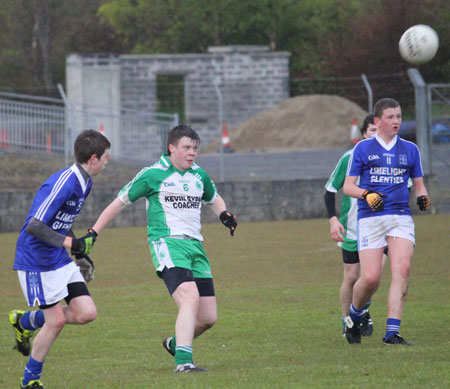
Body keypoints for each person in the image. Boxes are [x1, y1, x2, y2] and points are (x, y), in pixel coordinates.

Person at [90, 124, 237, 373]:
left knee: (209, 318)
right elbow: (119, 203)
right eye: (186, 148)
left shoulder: (199, 175)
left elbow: (214, 198)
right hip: (167, 244)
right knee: (190, 298)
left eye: (195, 149)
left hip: (196, 247)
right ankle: (184, 363)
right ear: (172, 148)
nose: (192, 153)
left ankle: (175, 343)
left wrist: (224, 214)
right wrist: (94, 232)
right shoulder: (152, 174)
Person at [9, 129, 110, 389]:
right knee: (57, 321)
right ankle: (30, 380)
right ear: (94, 158)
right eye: (106, 157)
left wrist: (79, 253)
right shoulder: (64, 182)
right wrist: (72, 243)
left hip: (58, 257)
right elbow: (35, 226)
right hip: (36, 261)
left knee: (87, 312)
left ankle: (25, 321)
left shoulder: (85, 183)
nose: (108, 161)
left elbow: (62, 221)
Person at [343, 98, 430, 345]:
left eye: (399, 116)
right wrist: (367, 194)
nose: (396, 121)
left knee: (402, 270)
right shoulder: (363, 148)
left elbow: (420, 187)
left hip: (400, 217)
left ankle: (392, 332)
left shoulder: (411, 150)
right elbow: (348, 187)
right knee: (370, 278)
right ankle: (354, 315)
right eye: (391, 117)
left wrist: (423, 198)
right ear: (378, 121)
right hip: (371, 219)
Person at [324, 114, 388, 338]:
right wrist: (333, 220)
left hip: (381, 227)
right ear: (363, 134)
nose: (376, 135)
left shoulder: (390, 158)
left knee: (373, 276)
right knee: (351, 277)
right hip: (352, 229)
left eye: (379, 130)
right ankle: (347, 321)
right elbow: (330, 190)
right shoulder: (349, 158)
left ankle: (362, 310)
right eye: (372, 130)